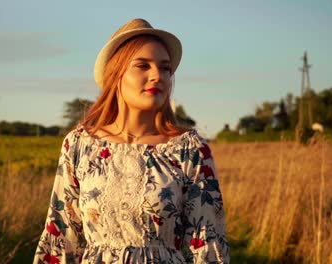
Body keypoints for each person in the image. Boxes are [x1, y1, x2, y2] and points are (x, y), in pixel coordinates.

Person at [34, 18, 229, 264]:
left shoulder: (189, 150)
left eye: (165, 68)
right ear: (116, 74)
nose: (157, 76)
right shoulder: (80, 146)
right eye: (143, 66)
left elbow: (208, 245)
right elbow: (61, 237)